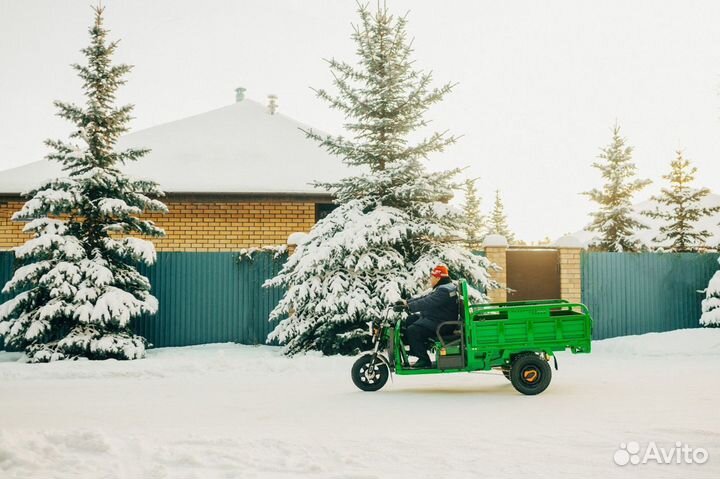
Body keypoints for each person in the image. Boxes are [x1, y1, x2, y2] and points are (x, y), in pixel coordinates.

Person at [394, 265, 459, 368]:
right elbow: (425, 298)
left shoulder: (444, 290)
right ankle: (415, 348)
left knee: (413, 330)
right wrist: (406, 302)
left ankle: (424, 360)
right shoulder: (444, 287)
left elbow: (427, 302)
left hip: (442, 324)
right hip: (438, 319)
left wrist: (409, 306)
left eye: (432, 277)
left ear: (438, 278)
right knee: (410, 319)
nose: (430, 279)